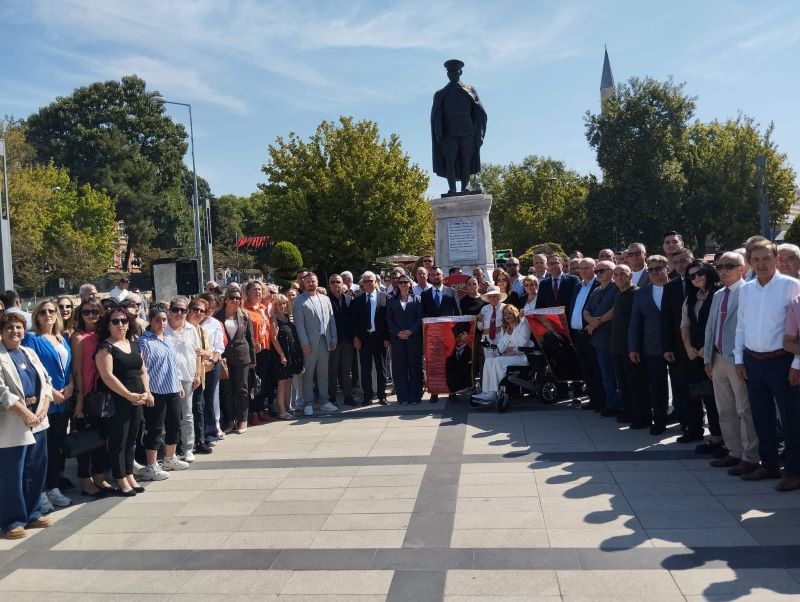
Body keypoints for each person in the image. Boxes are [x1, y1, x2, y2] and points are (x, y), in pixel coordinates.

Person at [733, 241, 800, 490]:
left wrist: (797, 363)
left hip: (783, 361)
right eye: (756, 259)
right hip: (753, 361)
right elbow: (741, 326)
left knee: (791, 419)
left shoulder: (791, 286)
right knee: (761, 416)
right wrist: (739, 359)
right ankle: (769, 464)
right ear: (749, 262)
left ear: (776, 259)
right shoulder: (747, 289)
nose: (761, 264)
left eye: (766, 258)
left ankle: (794, 471)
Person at [703, 252, 759, 475]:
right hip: (717, 358)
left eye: (730, 266)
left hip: (738, 359)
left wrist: (742, 359)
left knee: (744, 409)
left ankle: (750, 456)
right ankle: (734, 451)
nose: (724, 270)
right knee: (725, 409)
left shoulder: (750, 291)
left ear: (742, 268)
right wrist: (707, 358)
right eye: (720, 266)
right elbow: (711, 327)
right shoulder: (718, 294)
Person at [0, 312, 53, 539]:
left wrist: (43, 408)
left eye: (19, 327)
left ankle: (33, 513)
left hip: (38, 419)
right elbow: (2, 392)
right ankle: (12, 520)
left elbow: (47, 381)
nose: (15, 331)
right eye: (10, 328)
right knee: (12, 473)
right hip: (14, 421)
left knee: (35, 469)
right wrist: (25, 413)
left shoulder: (29, 352)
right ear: (1, 332)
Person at [23, 300, 73, 510]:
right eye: (42, 312)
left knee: (55, 447)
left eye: (51, 311)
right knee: (40, 451)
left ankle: (53, 487)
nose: (48, 315)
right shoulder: (32, 338)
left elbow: (69, 367)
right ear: (36, 316)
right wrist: (51, 392)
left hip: (64, 401)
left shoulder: (62, 338)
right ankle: (40, 492)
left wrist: (71, 385)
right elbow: (32, 369)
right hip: (45, 402)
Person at [95, 307, 150, 496]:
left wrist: (146, 392)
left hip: (138, 398)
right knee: (119, 440)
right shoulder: (105, 347)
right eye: (115, 321)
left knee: (132, 439)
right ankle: (120, 479)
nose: (120, 325)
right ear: (108, 325)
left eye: (124, 321)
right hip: (118, 400)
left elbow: (142, 370)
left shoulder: (133, 344)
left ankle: (129, 474)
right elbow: (107, 376)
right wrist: (128, 395)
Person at [137, 305, 188, 481]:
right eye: (157, 320)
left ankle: (169, 458)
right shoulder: (144, 342)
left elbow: (173, 364)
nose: (161, 323)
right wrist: (147, 391)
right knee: (155, 428)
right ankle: (151, 465)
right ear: (150, 321)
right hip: (155, 390)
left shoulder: (168, 338)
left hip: (172, 388)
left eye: (164, 320)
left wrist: (179, 383)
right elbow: (142, 369)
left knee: (174, 423)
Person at [70, 299, 112, 497]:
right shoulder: (78, 337)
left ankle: (99, 475)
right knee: (85, 440)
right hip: (85, 394)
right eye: (86, 312)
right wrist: (79, 402)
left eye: (95, 311)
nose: (91, 315)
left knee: (101, 437)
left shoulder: (102, 334)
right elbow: (77, 371)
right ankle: (86, 480)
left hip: (102, 393)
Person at [680, 260, 723, 448]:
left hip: (717, 354)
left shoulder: (719, 294)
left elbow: (721, 324)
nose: (696, 278)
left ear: (709, 272)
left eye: (700, 273)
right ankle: (709, 435)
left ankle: (722, 439)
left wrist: (708, 348)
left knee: (718, 400)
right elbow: (685, 325)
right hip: (695, 354)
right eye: (692, 276)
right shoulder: (691, 298)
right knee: (703, 395)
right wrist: (688, 347)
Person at [628, 255, 671, 435]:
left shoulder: (678, 288)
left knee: (681, 386)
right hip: (651, 346)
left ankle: (688, 422)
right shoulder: (641, 293)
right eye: (650, 270)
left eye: (658, 269)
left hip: (677, 346)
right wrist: (633, 348)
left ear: (667, 269)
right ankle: (659, 421)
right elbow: (635, 322)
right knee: (657, 386)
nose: (654, 273)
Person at [430, 58, 487, 194]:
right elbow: (437, 115)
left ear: (460, 72)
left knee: (466, 160)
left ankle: (465, 187)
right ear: (447, 74)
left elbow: (480, 113)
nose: (453, 74)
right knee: (450, 161)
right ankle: (452, 189)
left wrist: (480, 135)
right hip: (448, 134)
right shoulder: (440, 93)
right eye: (450, 72)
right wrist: (438, 131)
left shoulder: (469, 90)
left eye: (455, 72)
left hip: (467, 132)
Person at [293, 272, 338, 416]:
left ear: (317, 282)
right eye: (308, 282)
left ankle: (324, 401)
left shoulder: (325, 299)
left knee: (323, 373)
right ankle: (308, 403)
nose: (311, 284)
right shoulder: (299, 301)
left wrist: (334, 338)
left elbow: (331, 319)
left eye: (313, 281)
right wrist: (304, 343)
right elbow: (299, 324)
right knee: (308, 373)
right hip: (309, 343)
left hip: (325, 341)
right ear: (304, 283)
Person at [213, 289, 256, 434]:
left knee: (242, 388)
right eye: (232, 297)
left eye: (238, 298)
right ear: (226, 299)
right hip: (224, 357)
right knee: (227, 389)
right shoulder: (217, 316)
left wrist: (253, 359)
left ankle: (243, 419)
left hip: (242, 355)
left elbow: (250, 338)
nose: (235, 300)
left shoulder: (244, 315)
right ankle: (230, 420)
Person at [661, 248, 694, 432]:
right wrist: (667, 347)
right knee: (680, 386)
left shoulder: (705, 282)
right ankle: (686, 423)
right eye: (676, 263)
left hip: (700, 347)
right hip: (678, 347)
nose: (680, 265)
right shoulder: (670, 287)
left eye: (684, 261)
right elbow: (665, 319)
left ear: (692, 259)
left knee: (702, 389)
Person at [165, 297, 201, 460]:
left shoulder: (191, 329)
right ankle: (170, 450)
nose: (179, 313)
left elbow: (197, 353)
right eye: (175, 309)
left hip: (186, 376)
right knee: (169, 416)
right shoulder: (163, 328)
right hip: (166, 378)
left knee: (187, 414)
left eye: (183, 310)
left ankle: (188, 448)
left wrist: (197, 374)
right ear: (170, 310)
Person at [584, 261, 621, 417]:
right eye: (596, 271)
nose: (598, 274)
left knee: (617, 376)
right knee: (606, 376)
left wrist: (597, 322)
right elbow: (586, 310)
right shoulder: (596, 290)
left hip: (612, 338)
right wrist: (591, 321)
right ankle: (611, 404)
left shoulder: (617, 288)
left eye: (602, 271)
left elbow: (615, 310)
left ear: (612, 271)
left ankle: (621, 406)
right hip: (598, 340)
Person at [473, 305, 531, 401]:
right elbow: (501, 346)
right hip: (510, 357)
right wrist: (491, 347)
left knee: (497, 361)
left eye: (510, 313)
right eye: (505, 314)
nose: (507, 316)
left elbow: (523, 344)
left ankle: (495, 392)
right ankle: (486, 391)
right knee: (488, 361)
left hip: (523, 357)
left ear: (515, 313)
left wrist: (511, 350)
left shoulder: (523, 324)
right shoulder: (506, 328)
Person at [420, 266, 462, 402]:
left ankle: (452, 391)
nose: (435, 276)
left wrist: (457, 333)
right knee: (434, 364)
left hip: (449, 335)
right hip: (432, 336)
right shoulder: (425, 294)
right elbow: (422, 316)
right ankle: (434, 392)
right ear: (429, 277)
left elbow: (458, 313)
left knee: (451, 363)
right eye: (432, 275)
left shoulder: (452, 292)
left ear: (443, 276)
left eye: (438, 274)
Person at [609, 264, 643, 425]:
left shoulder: (637, 294)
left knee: (635, 384)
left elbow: (637, 323)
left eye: (622, 274)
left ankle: (640, 416)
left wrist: (633, 347)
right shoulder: (618, 294)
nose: (618, 277)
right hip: (617, 346)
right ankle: (628, 411)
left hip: (630, 348)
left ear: (630, 276)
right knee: (623, 383)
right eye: (615, 275)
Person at [351, 271, 390, 406]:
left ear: (375, 282)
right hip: (364, 339)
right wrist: (355, 338)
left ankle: (382, 395)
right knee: (365, 369)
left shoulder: (385, 297)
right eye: (365, 281)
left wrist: (387, 338)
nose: (367, 283)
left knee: (381, 368)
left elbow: (388, 320)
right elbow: (353, 322)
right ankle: (367, 396)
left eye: (370, 281)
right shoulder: (358, 300)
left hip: (380, 338)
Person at [569, 258, 602, 411]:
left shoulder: (598, 285)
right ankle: (593, 399)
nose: (583, 271)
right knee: (586, 369)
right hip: (577, 335)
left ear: (595, 268)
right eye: (581, 268)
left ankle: (602, 401)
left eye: (587, 268)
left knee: (596, 368)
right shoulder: (577, 286)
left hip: (591, 332)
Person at [386, 275, 424, 405]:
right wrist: (398, 333)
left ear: (410, 284)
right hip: (398, 340)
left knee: (415, 368)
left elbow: (420, 318)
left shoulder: (417, 299)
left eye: (405, 282)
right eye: (401, 282)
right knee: (399, 368)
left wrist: (411, 331)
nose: (403, 284)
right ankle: (402, 397)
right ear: (398, 285)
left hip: (414, 339)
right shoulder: (391, 300)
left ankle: (415, 396)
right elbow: (389, 319)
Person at [242, 281, 273, 424]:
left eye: (260, 289)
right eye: (254, 289)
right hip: (252, 351)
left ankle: (261, 410)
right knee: (252, 383)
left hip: (265, 349)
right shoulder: (244, 309)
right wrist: (253, 344)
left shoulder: (263, 308)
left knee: (262, 382)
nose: (258, 292)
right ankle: (253, 412)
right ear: (248, 292)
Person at [187, 297, 214, 455]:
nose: (198, 313)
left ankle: (200, 441)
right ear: (189, 310)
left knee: (198, 409)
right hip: (183, 376)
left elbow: (209, 352)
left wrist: (203, 352)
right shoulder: (182, 328)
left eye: (202, 311)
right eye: (195, 309)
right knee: (185, 413)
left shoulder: (202, 331)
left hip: (198, 377)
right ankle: (184, 444)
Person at [269, 295, 303, 419]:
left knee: (289, 381)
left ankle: (288, 408)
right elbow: (274, 339)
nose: (282, 306)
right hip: (281, 355)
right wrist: (282, 355)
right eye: (279, 304)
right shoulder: (274, 319)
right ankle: (282, 410)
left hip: (291, 354)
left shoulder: (288, 318)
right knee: (282, 383)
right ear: (275, 306)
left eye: (284, 303)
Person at [198, 293, 225, 443]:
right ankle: (198, 434)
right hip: (195, 365)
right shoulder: (191, 321)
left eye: (212, 307)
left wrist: (212, 361)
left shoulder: (215, 323)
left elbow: (219, 346)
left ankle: (211, 432)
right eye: (207, 306)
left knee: (209, 399)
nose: (209, 310)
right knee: (198, 401)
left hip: (212, 364)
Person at [328, 274, 355, 406]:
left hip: (347, 340)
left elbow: (354, 320)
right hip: (333, 341)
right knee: (332, 370)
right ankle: (332, 397)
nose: (335, 284)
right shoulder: (326, 300)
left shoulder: (349, 299)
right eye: (332, 282)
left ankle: (348, 396)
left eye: (338, 282)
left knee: (346, 370)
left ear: (342, 283)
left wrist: (354, 337)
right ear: (329, 285)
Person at [476, 285, 506, 360]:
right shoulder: (484, 309)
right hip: (486, 338)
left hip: (501, 337)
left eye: (495, 296)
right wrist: (480, 320)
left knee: (501, 360)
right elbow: (480, 328)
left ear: (499, 297)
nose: (492, 299)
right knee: (488, 360)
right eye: (490, 297)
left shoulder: (505, 307)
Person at [446, 323, 473, 395]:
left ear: (467, 335)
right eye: (457, 335)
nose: (459, 337)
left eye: (462, 334)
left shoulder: (471, 352)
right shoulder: (450, 354)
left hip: (465, 386)